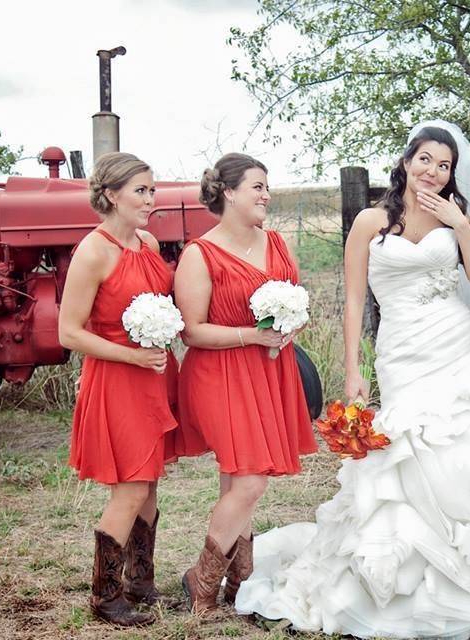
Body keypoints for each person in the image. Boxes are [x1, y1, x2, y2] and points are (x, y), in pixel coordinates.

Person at [234, 123, 470, 638]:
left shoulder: (454, 218)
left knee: (462, 453)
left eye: (443, 166)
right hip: (401, 351)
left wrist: (461, 226)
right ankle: (395, 576)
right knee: (406, 450)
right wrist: (354, 368)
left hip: (456, 344)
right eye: (425, 160)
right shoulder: (372, 221)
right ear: (406, 161)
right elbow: (355, 300)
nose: (433, 172)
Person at [174, 152, 317, 614]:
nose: (266, 195)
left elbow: (294, 300)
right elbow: (191, 330)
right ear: (229, 193)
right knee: (251, 480)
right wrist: (252, 335)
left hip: (269, 369)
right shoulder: (200, 254)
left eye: (267, 186)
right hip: (219, 373)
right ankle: (202, 583)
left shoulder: (276, 242)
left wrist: (290, 326)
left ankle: (241, 582)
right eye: (257, 186)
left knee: (237, 479)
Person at [59, 152, 179, 627]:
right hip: (118, 377)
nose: (151, 199)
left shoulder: (147, 243)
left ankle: (140, 583)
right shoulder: (93, 251)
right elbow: (69, 332)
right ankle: (105, 597)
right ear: (111, 195)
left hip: (153, 375)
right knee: (130, 487)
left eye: (152, 190)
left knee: (148, 482)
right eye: (141, 191)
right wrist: (131, 356)